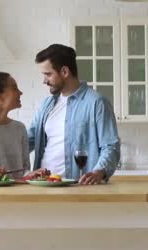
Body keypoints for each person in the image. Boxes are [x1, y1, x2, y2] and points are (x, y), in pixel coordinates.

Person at [28, 44, 120, 184]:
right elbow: (29, 140)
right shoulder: (47, 104)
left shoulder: (96, 103)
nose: (44, 81)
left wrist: (98, 172)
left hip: (77, 187)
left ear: (65, 71)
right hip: (44, 185)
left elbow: (110, 146)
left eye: (48, 74)